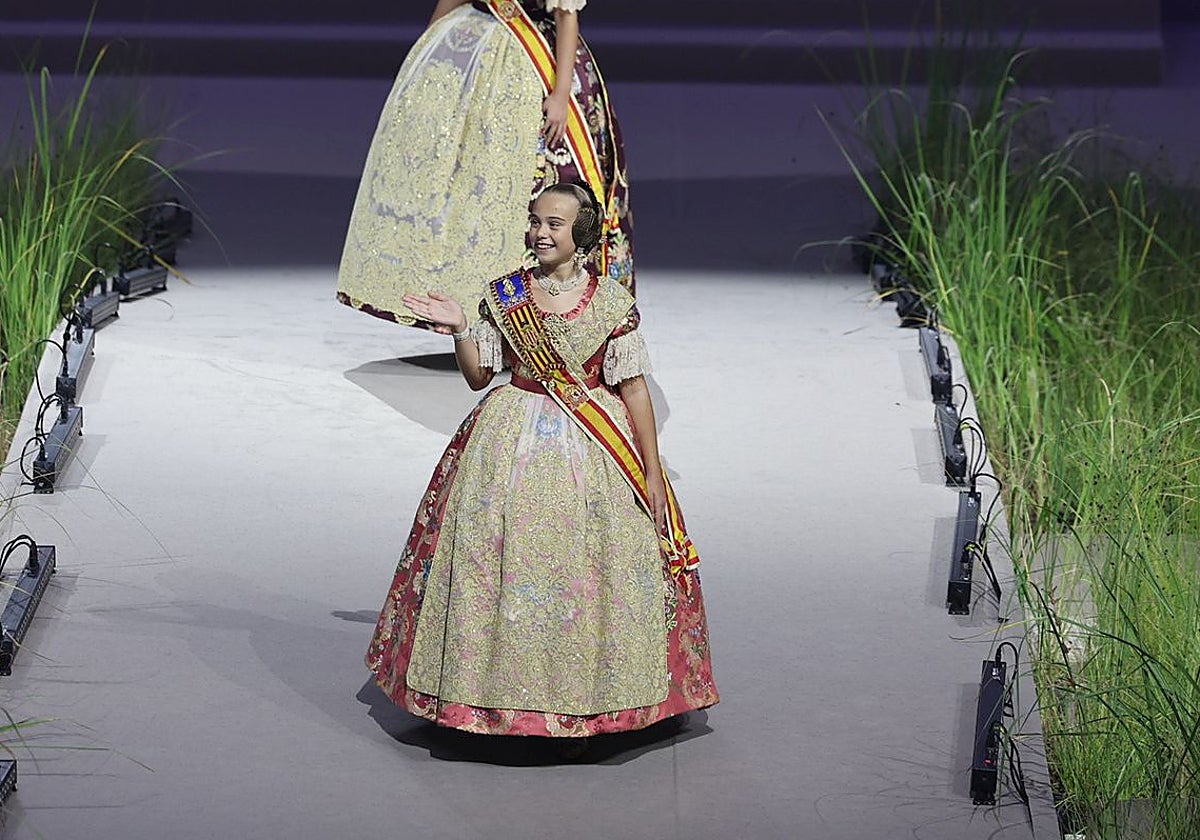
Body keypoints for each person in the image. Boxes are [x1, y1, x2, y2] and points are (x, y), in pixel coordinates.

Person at [365, 182, 717, 745]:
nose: (540, 232)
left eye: (554, 224)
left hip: (594, 444)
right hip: (510, 436)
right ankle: (484, 693)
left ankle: (600, 696)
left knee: (594, 565)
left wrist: (651, 470)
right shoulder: (506, 294)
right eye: (535, 221)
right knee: (493, 560)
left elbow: (634, 389)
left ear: (580, 234)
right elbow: (480, 377)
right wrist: (461, 329)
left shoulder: (609, 302)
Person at [337, 0, 634, 332]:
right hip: (474, 44)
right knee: (473, 189)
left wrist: (561, 93)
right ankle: (477, 312)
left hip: (533, 62)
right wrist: (426, 54)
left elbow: (566, 15)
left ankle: (557, 314)